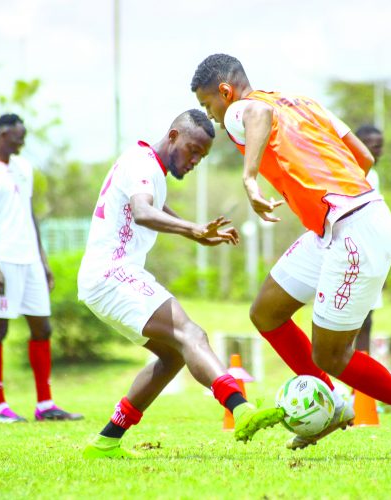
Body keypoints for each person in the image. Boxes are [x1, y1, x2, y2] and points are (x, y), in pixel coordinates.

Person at [191, 54, 391, 459]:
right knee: (266, 312)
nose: (211, 116)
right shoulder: (303, 102)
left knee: (331, 354)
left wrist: (249, 177)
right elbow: (363, 160)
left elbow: (257, 113)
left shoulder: (242, 109)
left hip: (354, 227)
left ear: (224, 91)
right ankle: (334, 404)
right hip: (337, 224)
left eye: (208, 105)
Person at [77, 109, 283, 458]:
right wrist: (192, 230)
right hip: (112, 273)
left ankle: (106, 441)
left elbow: (156, 204)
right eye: (192, 150)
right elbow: (143, 212)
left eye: (201, 157)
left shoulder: (146, 166)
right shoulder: (141, 165)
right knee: (192, 334)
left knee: (173, 356)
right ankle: (240, 408)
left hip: (105, 277)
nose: (194, 161)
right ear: (173, 136)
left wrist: (196, 231)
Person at [0, 114, 82, 423]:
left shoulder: (24, 168)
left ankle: (45, 405)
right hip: (2, 260)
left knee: (42, 328)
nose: (23, 141)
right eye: (19, 135)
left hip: (30, 259)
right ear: (3, 133)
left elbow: (29, 215)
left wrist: (43, 262)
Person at [354, 124, 385, 353]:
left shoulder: (373, 174)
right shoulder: (355, 173)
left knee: (367, 318)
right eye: (374, 146)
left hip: (372, 254)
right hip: (355, 253)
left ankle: (360, 386)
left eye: (381, 146)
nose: (379, 151)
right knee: (354, 319)